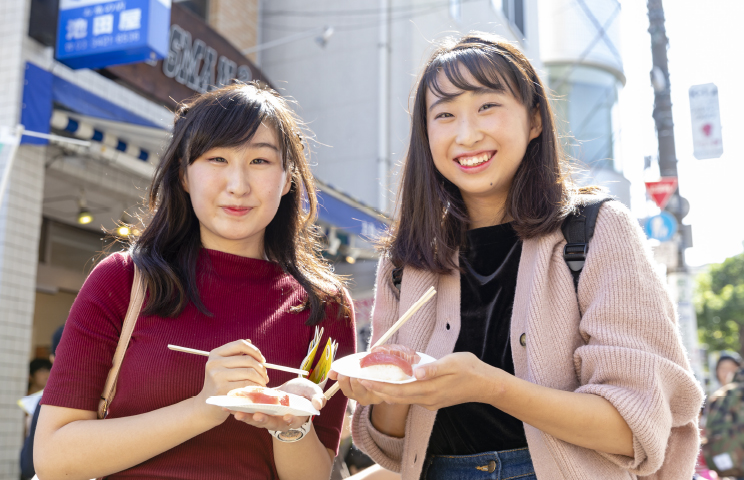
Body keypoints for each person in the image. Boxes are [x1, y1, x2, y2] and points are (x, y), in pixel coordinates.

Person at [330, 33, 703, 480]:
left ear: (535, 121)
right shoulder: (406, 258)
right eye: (444, 114)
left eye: (487, 106)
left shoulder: (596, 230)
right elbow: (393, 447)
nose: (467, 134)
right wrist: (383, 392)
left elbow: (633, 429)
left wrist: (493, 388)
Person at [35, 83, 356, 480]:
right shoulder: (123, 280)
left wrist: (291, 426)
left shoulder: (325, 306)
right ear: (184, 175)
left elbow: (315, 476)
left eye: (260, 161)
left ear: (288, 179)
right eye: (216, 158)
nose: (237, 185)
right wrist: (202, 408)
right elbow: (53, 456)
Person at [20, 325, 64, 479]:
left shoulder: (47, 402)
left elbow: (28, 465)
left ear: (53, 358)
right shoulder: (110, 400)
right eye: (41, 371)